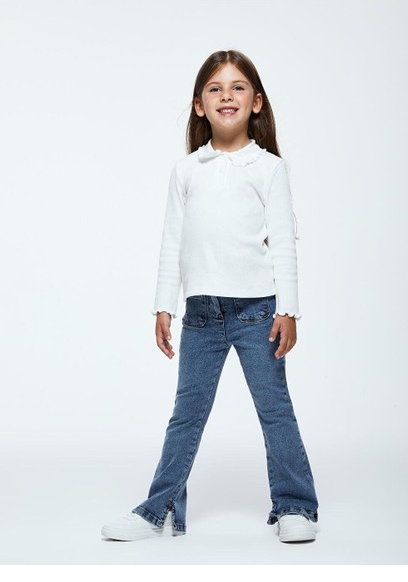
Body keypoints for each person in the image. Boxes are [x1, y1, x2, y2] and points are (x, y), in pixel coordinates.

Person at [101, 49, 319, 544]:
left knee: (274, 410)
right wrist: (163, 305)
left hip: (259, 312)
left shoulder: (269, 168)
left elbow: (284, 243)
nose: (227, 95)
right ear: (200, 104)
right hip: (200, 314)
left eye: (238, 87)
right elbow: (172, 242)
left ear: (256, 101)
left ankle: (295, 505)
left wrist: (288, 309)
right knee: (186, 414)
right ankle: (160, 510)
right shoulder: (186, 170)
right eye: (215, 88)